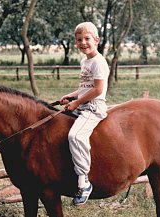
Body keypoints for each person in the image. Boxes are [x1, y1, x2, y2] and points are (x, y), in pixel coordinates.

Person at [60, 22, 109, 206]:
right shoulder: (85, 61)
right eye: (79, 39)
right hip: (83, 103)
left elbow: (97, 90)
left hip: (93, 107)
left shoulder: (98, 62)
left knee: (75, 136)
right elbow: (84, 87)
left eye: (87, 39)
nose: (83, 42)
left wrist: (77, 102)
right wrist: (71, 96)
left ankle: (83, 182)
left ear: (96, 40)